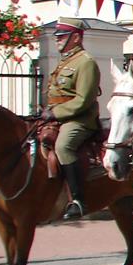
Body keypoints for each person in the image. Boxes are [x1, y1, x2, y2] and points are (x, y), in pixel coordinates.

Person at [44, 17, 100, 221]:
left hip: (80, 120)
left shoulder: (86, 62)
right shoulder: (66, 61)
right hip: (56, 117)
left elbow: (84, 100)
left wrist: (56, 113)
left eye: (62, 36)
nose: (57, 40)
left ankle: (77, 200)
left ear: (76, 38)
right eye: (57, 36)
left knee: (63, 147)